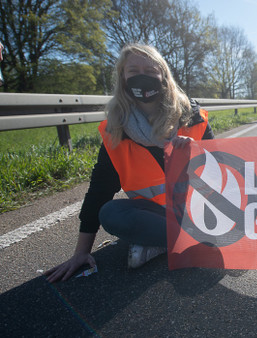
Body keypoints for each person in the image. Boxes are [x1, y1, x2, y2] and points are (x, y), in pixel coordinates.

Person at [45, 44, 214, 282]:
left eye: (150, 70)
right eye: (133, 71)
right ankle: (184, 240)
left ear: (163, 76)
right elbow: (99, 192)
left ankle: (168, 241)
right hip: (157, 216)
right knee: (111, 213)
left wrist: (197, 156)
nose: (142, 77)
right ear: (123, 79)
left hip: (199, 212)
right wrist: (80, 253)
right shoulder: (116, 132)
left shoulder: (193, 118)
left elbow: (223, 179)